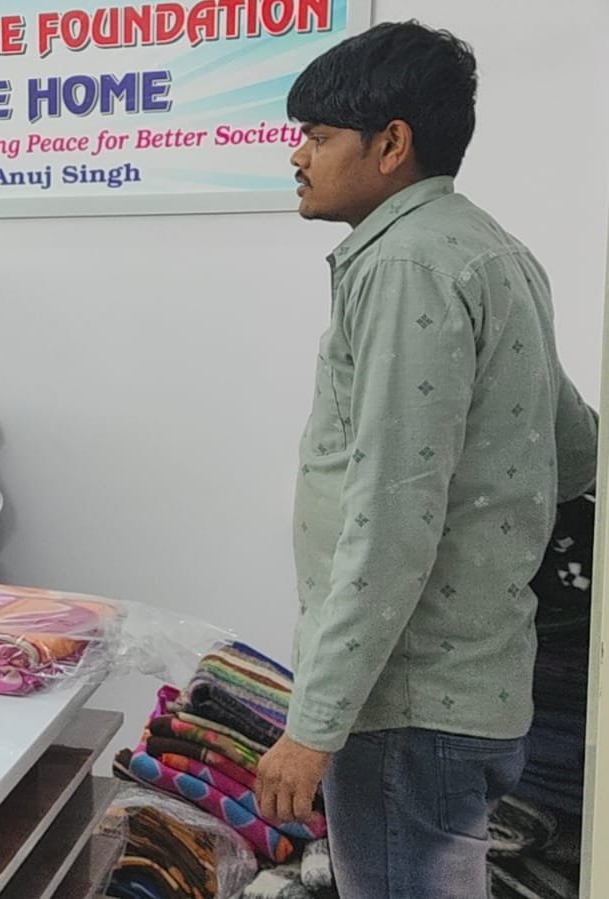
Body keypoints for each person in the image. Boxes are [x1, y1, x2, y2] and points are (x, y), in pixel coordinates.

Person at [253, 22, 599, 897]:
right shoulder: (492, 249)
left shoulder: (404, 263)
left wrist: (313, 724)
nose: (297, 156)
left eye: (317, 136)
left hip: (405, 705)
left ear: (391, 144)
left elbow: (391, 518)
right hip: (474, 683)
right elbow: (574, 451)